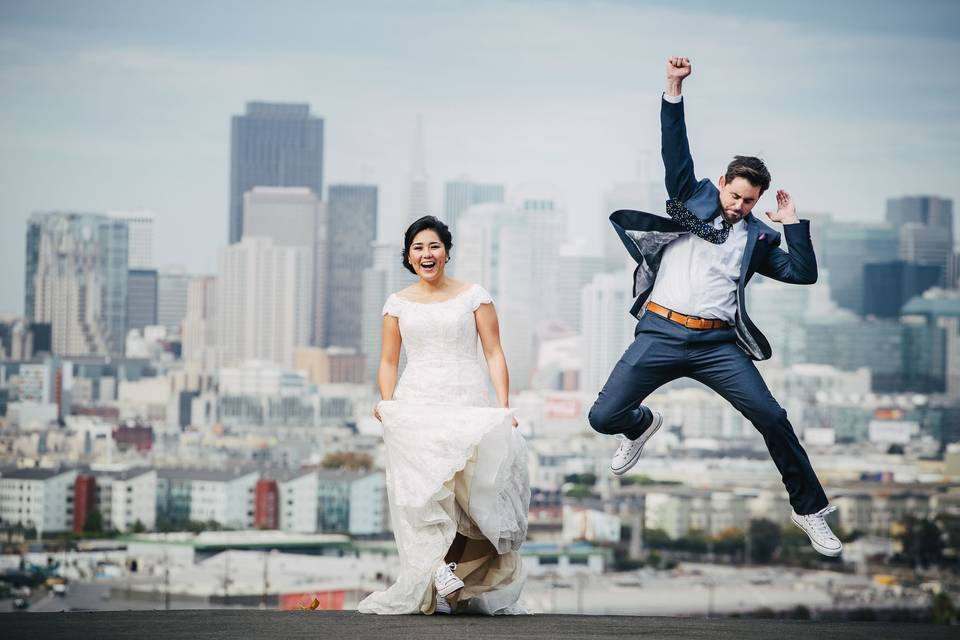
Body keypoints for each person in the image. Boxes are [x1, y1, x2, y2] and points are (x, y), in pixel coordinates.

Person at [588, 57, 842, 558]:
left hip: (716, 344)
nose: (739, 206)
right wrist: (673, 89)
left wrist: (791, 223)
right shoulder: (691, 197)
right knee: (602, 416)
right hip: (660, 332)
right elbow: (674, 150)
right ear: (721, 182)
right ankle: (640, 426)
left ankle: (810, 510)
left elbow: (803, 273)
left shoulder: (760, 238)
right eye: (735, 194)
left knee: (772, 417)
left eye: (750, 201)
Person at [357, 215, 530, 615]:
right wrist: (388, 403)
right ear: (409, 257)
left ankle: (452, 576)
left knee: (473, 499)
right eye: (418, 248)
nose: (426, 254)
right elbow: (388, 360)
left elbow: (494, 353)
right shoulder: (396, 304)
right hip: (416, 406)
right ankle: (436, 571)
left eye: (433, 246)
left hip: (467, 403)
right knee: (423, 495)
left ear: (446, 252)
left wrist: (504, 406)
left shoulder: (474, 296)